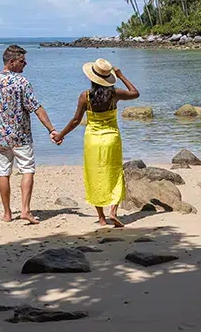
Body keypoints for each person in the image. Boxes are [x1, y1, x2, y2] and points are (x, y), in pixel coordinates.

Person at [52, 58, 139, 227]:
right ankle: (113, 211)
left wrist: (60, 135)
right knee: (114, 172)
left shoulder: (85, 97)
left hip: (93, 139)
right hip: (112, 138)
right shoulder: (115, 94)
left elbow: (76, 120)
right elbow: (135, 93)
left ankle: (101, 217)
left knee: (94, 175)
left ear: (92, 78)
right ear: (109, 78)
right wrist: (121, 76)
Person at [0, 44, 58, 224]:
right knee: (27, 170)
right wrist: (51, 130)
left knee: (3, 172)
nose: (26, 64)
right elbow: (36, 108)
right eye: (22, 61)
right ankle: (25, 211)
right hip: (21, 136)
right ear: (12, 62)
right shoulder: (22, 83)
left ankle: (7, 214)